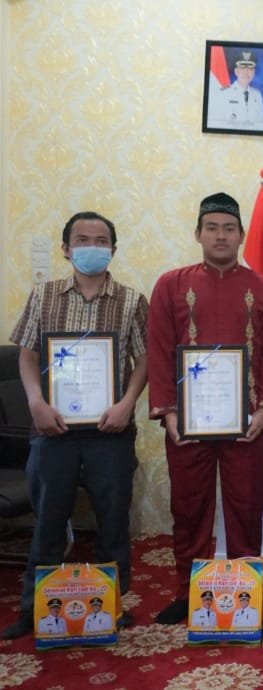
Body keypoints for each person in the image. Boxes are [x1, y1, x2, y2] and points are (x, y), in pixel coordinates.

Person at [2, 211, 146, 640]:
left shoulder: (131, 300)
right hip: (54, 430)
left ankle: (110, 608)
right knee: (48, 521)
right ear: (66, 249)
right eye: (82, 239)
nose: (92, 247)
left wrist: (126, 404)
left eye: (101, 240)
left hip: (110, 431)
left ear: (113, 249)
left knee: (113, 523)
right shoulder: (44, 295)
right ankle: (34, 610)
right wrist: (35, 402)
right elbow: (27, 354)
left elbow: (145, 360)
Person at [147, 192, 263, 625]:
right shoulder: (171, 285)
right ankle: (187, 592)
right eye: (212, 228)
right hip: (187, 424)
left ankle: (248, 589)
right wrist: (169, 414)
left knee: (247, 507)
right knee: (189, 508)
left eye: (229, 229)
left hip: (247, 422)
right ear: (198, 234)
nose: (220, 236)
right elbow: (159, 352)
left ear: (241, 235)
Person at [206, 50, 263, 129]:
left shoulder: (257, 95)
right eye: (242, 68)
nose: (246, 72)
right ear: (236, 71)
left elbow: (260, 126)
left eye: (250, 69)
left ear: (254, 72)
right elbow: (217, 125)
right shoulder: (224, 94)